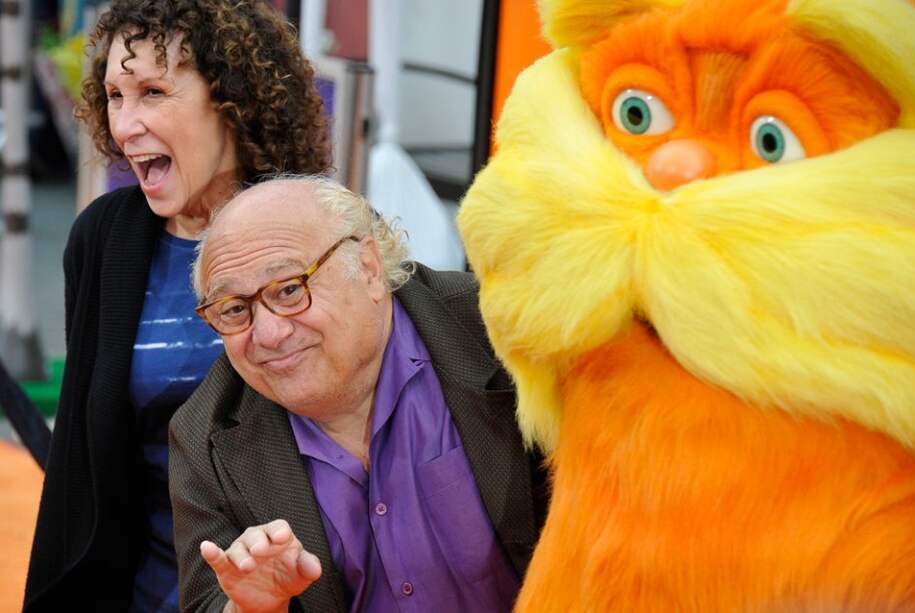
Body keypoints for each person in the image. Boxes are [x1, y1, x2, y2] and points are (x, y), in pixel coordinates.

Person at [24, 2, 331, 611]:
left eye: (153, 91)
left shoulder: (323, 232)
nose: (126, 124)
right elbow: (82, 465)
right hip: (142, 592)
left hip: (296, 588)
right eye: (114, 95)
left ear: (231, 98)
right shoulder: (103, 240)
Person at [169, 176, 548, 613]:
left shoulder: (503, 332)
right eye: (235, 309)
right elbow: (207, 604)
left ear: (368, 268)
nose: (269, 334)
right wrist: (252, 607)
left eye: (290, 289)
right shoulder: (204, 436)